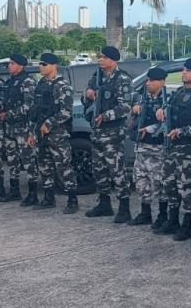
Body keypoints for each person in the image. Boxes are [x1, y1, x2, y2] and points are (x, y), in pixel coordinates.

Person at [155, 58, 191, 241]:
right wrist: (161, 111)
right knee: (169, 184)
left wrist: (181, 132)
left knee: (186, 187)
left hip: (187, 149)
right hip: (170, 147)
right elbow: (167, 110)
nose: (184, 73)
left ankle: (187, 225)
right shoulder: (177, 92)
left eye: (188, 70)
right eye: (183, 70)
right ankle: (173, 220)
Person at [82, 46, 134, 223]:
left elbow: (125, 107)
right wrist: (88, 95)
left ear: (113, 60)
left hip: (113, 133)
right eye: (100, 56)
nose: (100, 59)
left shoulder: (122, 79)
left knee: (117, 170)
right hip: (97, 132)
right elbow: (86, 98)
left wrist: (105, 116)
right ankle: (104, 204)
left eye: (103, 57)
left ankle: (124, 208)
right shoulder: (96, 77)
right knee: (99, 169)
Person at [27, 52, 79, 214]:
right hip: (40, 133)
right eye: (40, 63)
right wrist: (32, 132)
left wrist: (49, 124)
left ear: (54, 65)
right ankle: (49, 198)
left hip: (58, 134)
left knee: (64, 166)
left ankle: (72, 200)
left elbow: (66, 112)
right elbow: (35, 111)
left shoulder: (62, 86)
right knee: (44, 166)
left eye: (44, 64)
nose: (40, 66)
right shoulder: (40, 84)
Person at [129, 67, 168, 228]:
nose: (147, 83)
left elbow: (168, 124)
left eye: (152, 80)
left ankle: (163, 215)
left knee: (159, 182)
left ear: (162, 82)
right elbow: (131, 121)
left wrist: (159, 118)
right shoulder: (142, 99)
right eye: (147, 80)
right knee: (141, 181)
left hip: (157, 149)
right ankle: (145, 213)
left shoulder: (167, 100)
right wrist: (134, 111)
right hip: (141, 147)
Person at [2, 53, 38, 206]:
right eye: (9, 63)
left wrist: (9, 114)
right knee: (12, 160)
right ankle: (14, 191)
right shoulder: (10, 82)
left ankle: (33, 194)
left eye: (12, 63)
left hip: (24, 127)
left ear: (21, 65)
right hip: (10, 127)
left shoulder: (28, 82)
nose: (9, 66)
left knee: (28, 160)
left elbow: (29, 106)